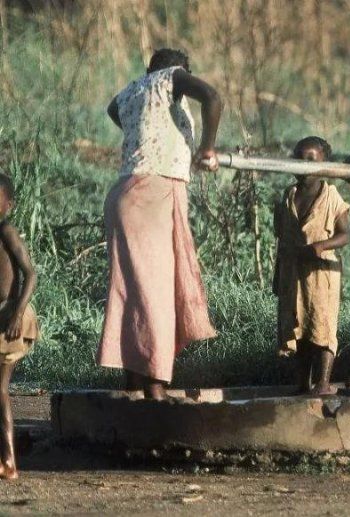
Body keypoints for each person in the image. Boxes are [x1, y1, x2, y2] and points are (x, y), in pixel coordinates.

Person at [97, 49, 222, 400]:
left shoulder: (133, 90)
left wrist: (145, 133)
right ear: (183, 69)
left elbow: (112, 110)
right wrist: (207, 149)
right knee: (157, 294)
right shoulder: (172, 79)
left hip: (127, 192)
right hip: (153, 193)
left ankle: (135, 386)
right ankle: (155, 388)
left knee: (133, 293)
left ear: (148, 68)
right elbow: (213, 97)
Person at [274, 137, 350, 396]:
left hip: (321, 274)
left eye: (311, 160)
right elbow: (281, 239)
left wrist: (322, 245)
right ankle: (302, 382)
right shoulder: (289, 197)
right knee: (301, 327)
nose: (304, 166)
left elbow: (345, 235)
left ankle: (324, 381)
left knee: (323, 327)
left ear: (324, 164)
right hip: (294, 274)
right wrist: (278, 277)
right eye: (299, 159)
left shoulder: (331, 196)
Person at [0, 173, 39, 480]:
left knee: (0, 389)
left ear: (8, 204)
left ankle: (9, 460)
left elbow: (31, 275)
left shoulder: (7, 232)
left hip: (11, 320)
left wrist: (17, 313)